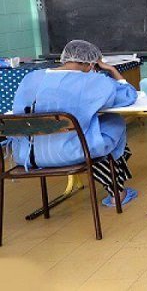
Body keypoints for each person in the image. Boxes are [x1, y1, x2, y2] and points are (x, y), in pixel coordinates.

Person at [10, 40, 139, 207]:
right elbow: (129, 95)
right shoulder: (93, 81)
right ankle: (116, 190)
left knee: (85, 130)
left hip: (27, 156)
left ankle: (115, 186)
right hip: (70, 154)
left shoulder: (30, 78)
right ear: (92, 64)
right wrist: (111, 69)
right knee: (114, 123)